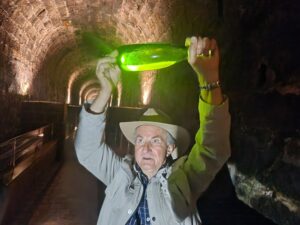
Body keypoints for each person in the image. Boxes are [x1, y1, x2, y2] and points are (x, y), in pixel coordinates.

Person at [75, 36, 231, 225]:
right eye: (140, 140)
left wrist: (209, 79)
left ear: (170, 148)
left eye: (156, 140)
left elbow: (212, 148)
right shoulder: (120, 175)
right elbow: (88, 150)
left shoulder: (184, 181)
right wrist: (106, 90)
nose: (145, 148)